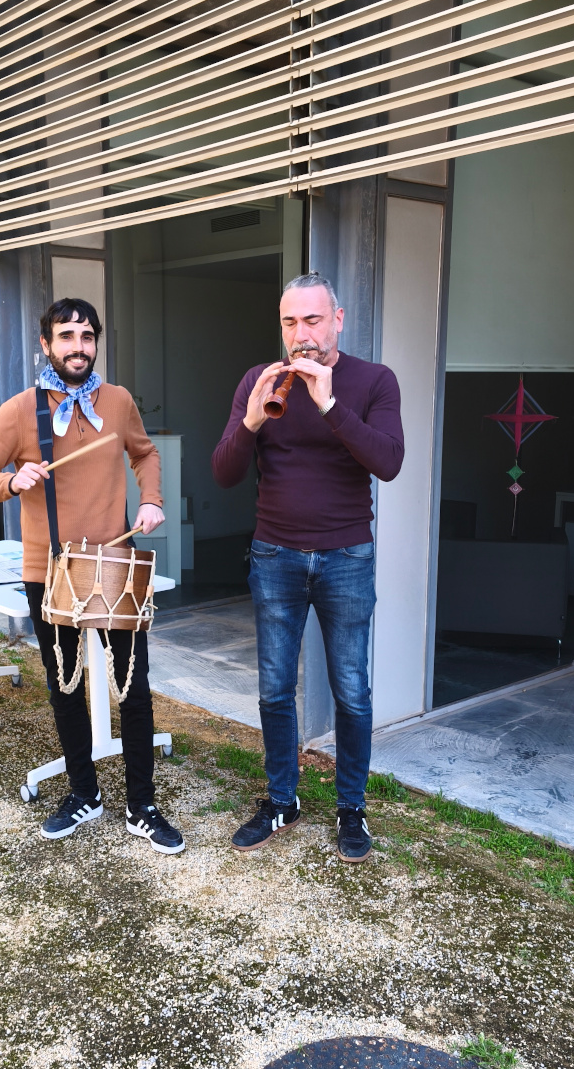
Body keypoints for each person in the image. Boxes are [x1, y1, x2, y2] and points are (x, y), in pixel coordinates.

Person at [0, 297, 185, 855]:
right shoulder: (20, 410)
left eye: (87, 336)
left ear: (96, 342)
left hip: (114, 563)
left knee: (133, 690)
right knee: (65, 686)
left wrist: (151, 500)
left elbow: (145, 454)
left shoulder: (118, 401)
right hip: (50, 569)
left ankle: (142, 805)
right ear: (46, 344)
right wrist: (10, 482)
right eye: (66, 336)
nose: (78, 347)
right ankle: (85, 792)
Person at [212, 272, 404, 863]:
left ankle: (352, 808)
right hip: (276, 555)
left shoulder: (374, 380)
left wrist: (328, 403)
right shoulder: (260, 380)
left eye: (313, 320)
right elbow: (224, 473)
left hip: (347, 556)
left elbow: (388, 462)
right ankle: (281, 800)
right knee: (274, 688)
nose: (302, 334)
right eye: (291, 322)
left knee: (352, 691)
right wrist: (252, 419)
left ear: (337, 320)